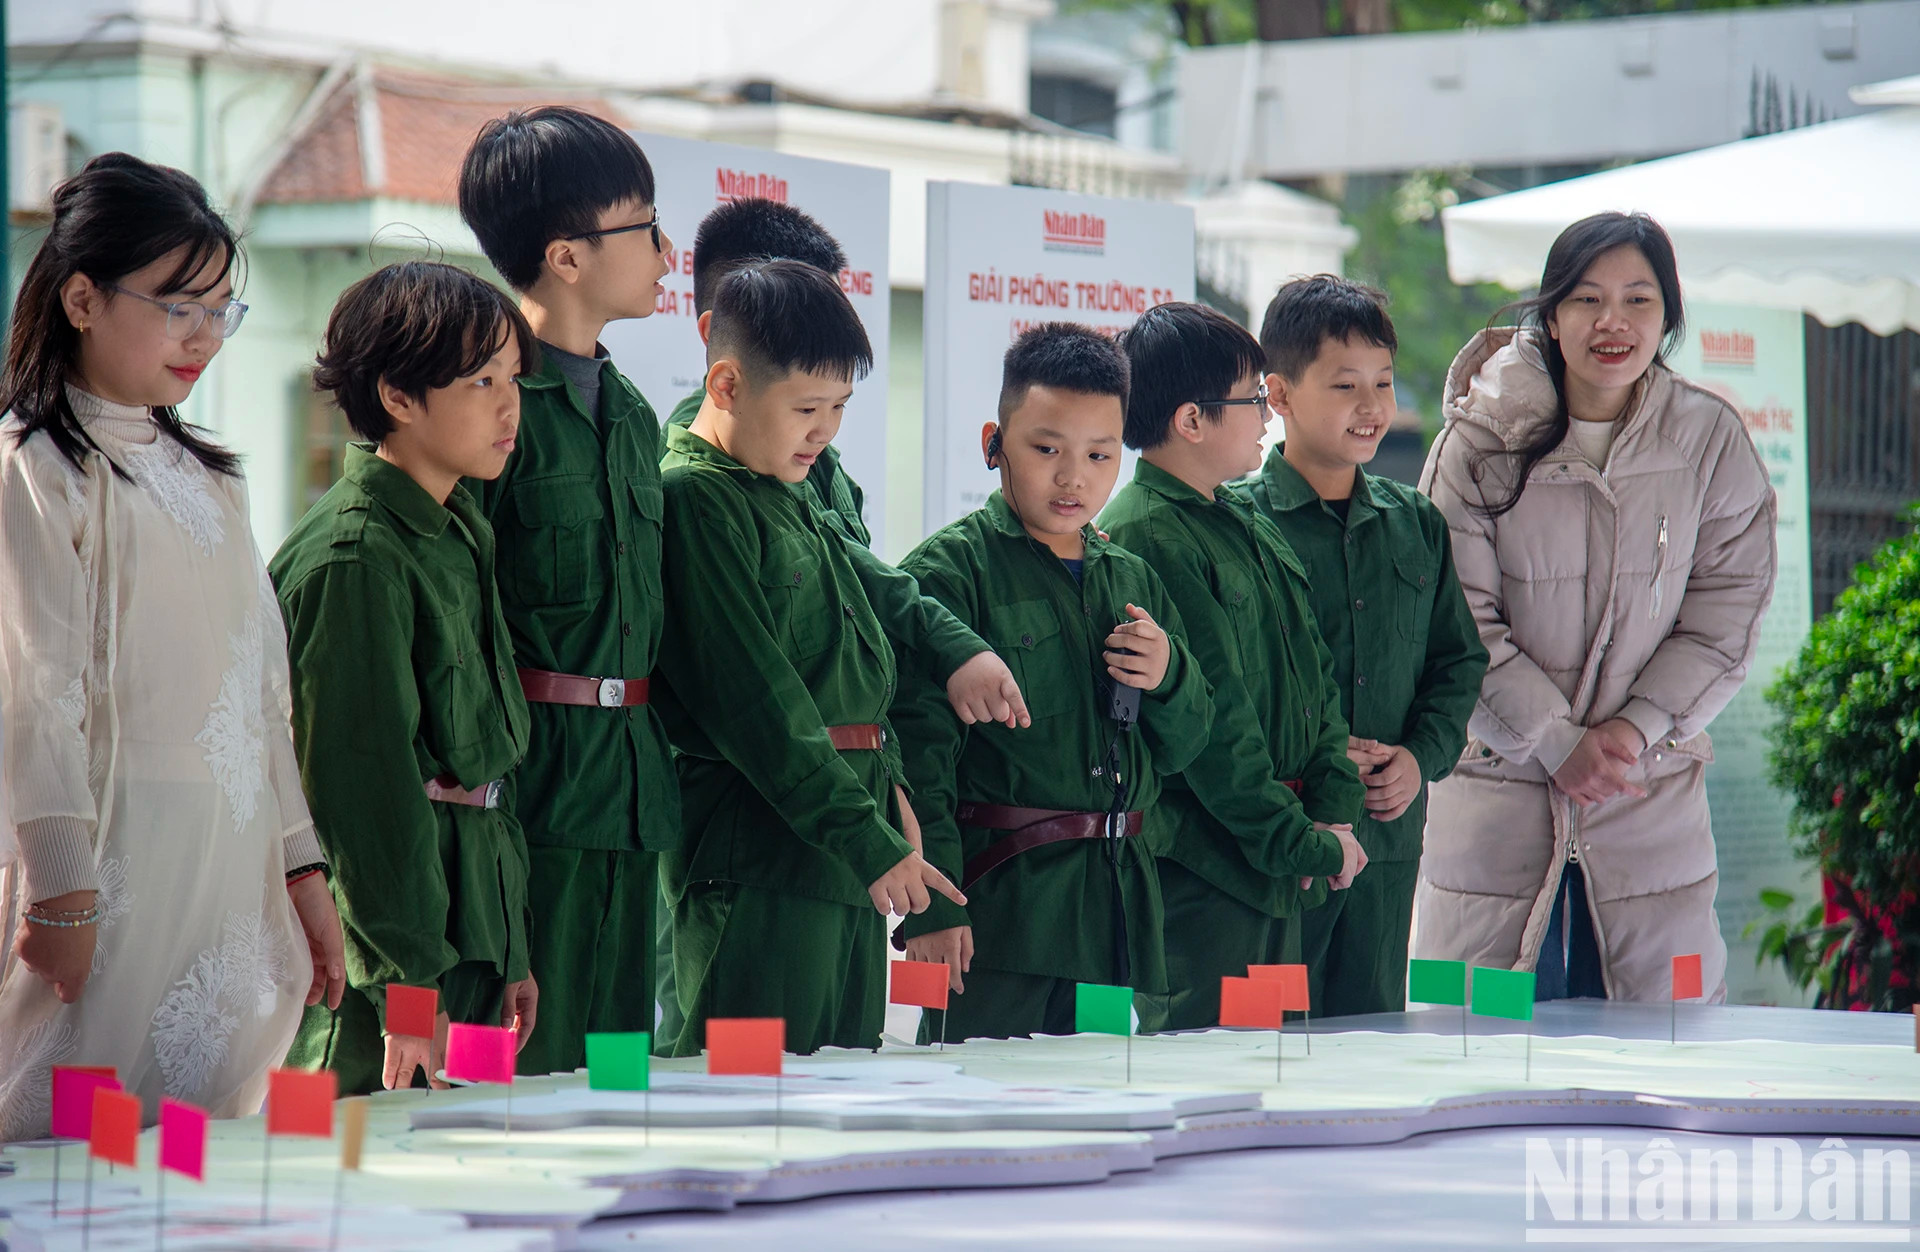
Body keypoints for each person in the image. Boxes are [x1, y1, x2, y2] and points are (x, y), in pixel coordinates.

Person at [0, 154, 344, 1138]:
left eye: (222, 311)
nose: (204, 337)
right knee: (68, 1145)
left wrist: (301, 873)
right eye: (178, 305)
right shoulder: (36, 464)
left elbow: (259, 697)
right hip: (110, 869)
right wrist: (61, 893)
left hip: (225, 871)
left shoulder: (209, 476)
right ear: (80, 297)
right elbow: (33, 692)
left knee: (192, 1154)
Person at [656, 197, 1026, 1047]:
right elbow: (763, 709)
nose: (822, 433)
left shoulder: (786, 489)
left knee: (839, 1097)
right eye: (805, 409)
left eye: (839, 410)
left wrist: (887, 795)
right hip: (764, 859)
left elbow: (862, 651)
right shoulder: (699, 499)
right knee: (743, 1104)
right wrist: (868, 839)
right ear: (726, 382)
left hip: (847, 847)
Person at [1418, 211, 1776, 1002]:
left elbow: (1727, 612)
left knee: (1654, 1064)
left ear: (1668, 317)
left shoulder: (1708, 441)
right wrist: (1554, 741)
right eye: (1586, 299)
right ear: (1551, 315)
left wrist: (1629, 730)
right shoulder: (1478, 443)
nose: (1612, 322)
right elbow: (1454, 623)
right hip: (1498, 816)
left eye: (1638, 300)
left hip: (1647, 807)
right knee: (1489, 1062)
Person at [891, 324, 1212, 1040]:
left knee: (1098, 1111)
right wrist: (934, 908)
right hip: (1001, 921)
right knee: (983, 1125)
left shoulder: (1131, 578)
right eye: (1046, 450)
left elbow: (1189, 746)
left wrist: (1169, 676)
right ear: (992, 443)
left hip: (1113, 919)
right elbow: (917, 762)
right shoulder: (947, 576)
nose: (1074, 478)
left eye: (1099, 455)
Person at [272, 261, 539, 1093]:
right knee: (360, 1188)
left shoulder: (457, 528)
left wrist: (512, 954)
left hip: (476, 949)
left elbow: (484, 777)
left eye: (514, 378)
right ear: (397, 396)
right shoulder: (355, 558)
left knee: (480, 1187)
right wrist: (410, 993)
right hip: (388, 978)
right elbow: (365, 798)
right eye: (481, 380)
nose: (509, 406)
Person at [455, 106, 678, 1074]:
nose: (669, 254)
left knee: (622, 1076)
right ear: (567, 256)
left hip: (631, 799)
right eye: (644, 228)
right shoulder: (484, 412)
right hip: (527, 802)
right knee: (507, 1081)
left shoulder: (630, 412)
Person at [1103, 302, 1367, 1032]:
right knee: (1217, 1080)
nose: (1265, 418)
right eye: (1253, 401)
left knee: (1276, 1076)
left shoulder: (1241, 518)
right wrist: (1302, 838)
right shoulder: (1146, 534)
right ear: (1192, 420)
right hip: (1211, 870)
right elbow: (1213, 724)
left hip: (1284, 857)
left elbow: (1316, 680)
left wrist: (1333, 810)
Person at [1246, 276, 1487, 1018]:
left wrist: (1420, 758)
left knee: (1372, 1056)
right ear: (1279, 396)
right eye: (1344, 385)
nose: (1372, 406)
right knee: (1267, 1051)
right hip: (1273, 852)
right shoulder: (1236, 525)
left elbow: (1458, 664)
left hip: (1385, 851)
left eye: (1382, 382)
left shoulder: (1414, 522)